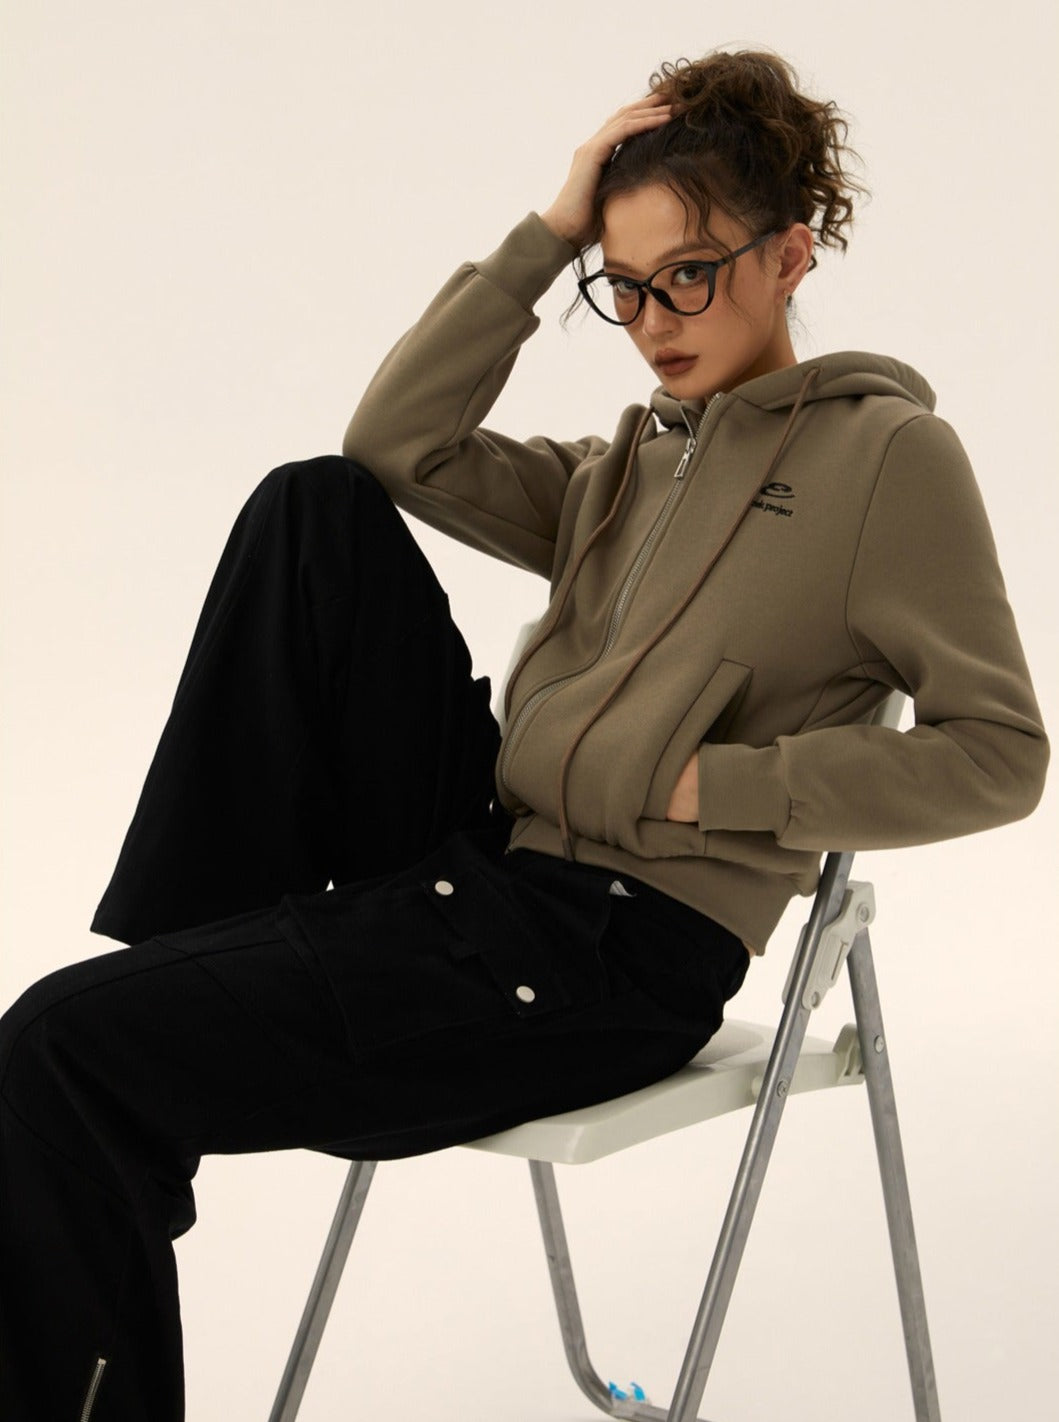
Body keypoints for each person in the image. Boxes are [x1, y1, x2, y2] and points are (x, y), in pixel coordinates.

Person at [0, 46, 1047, 1421]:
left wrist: (717, 786)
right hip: (491, 875)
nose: (654, 319)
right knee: (315, 508)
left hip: (615, 951)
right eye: (624, 285)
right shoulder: (627, 468)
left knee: (58, 1050)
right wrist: (551, 231)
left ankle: (184, 1007)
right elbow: (395, 442)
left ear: (792, 256)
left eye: (691, 274)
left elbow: (1000, 753)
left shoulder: (890, 460)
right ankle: (202, 964)